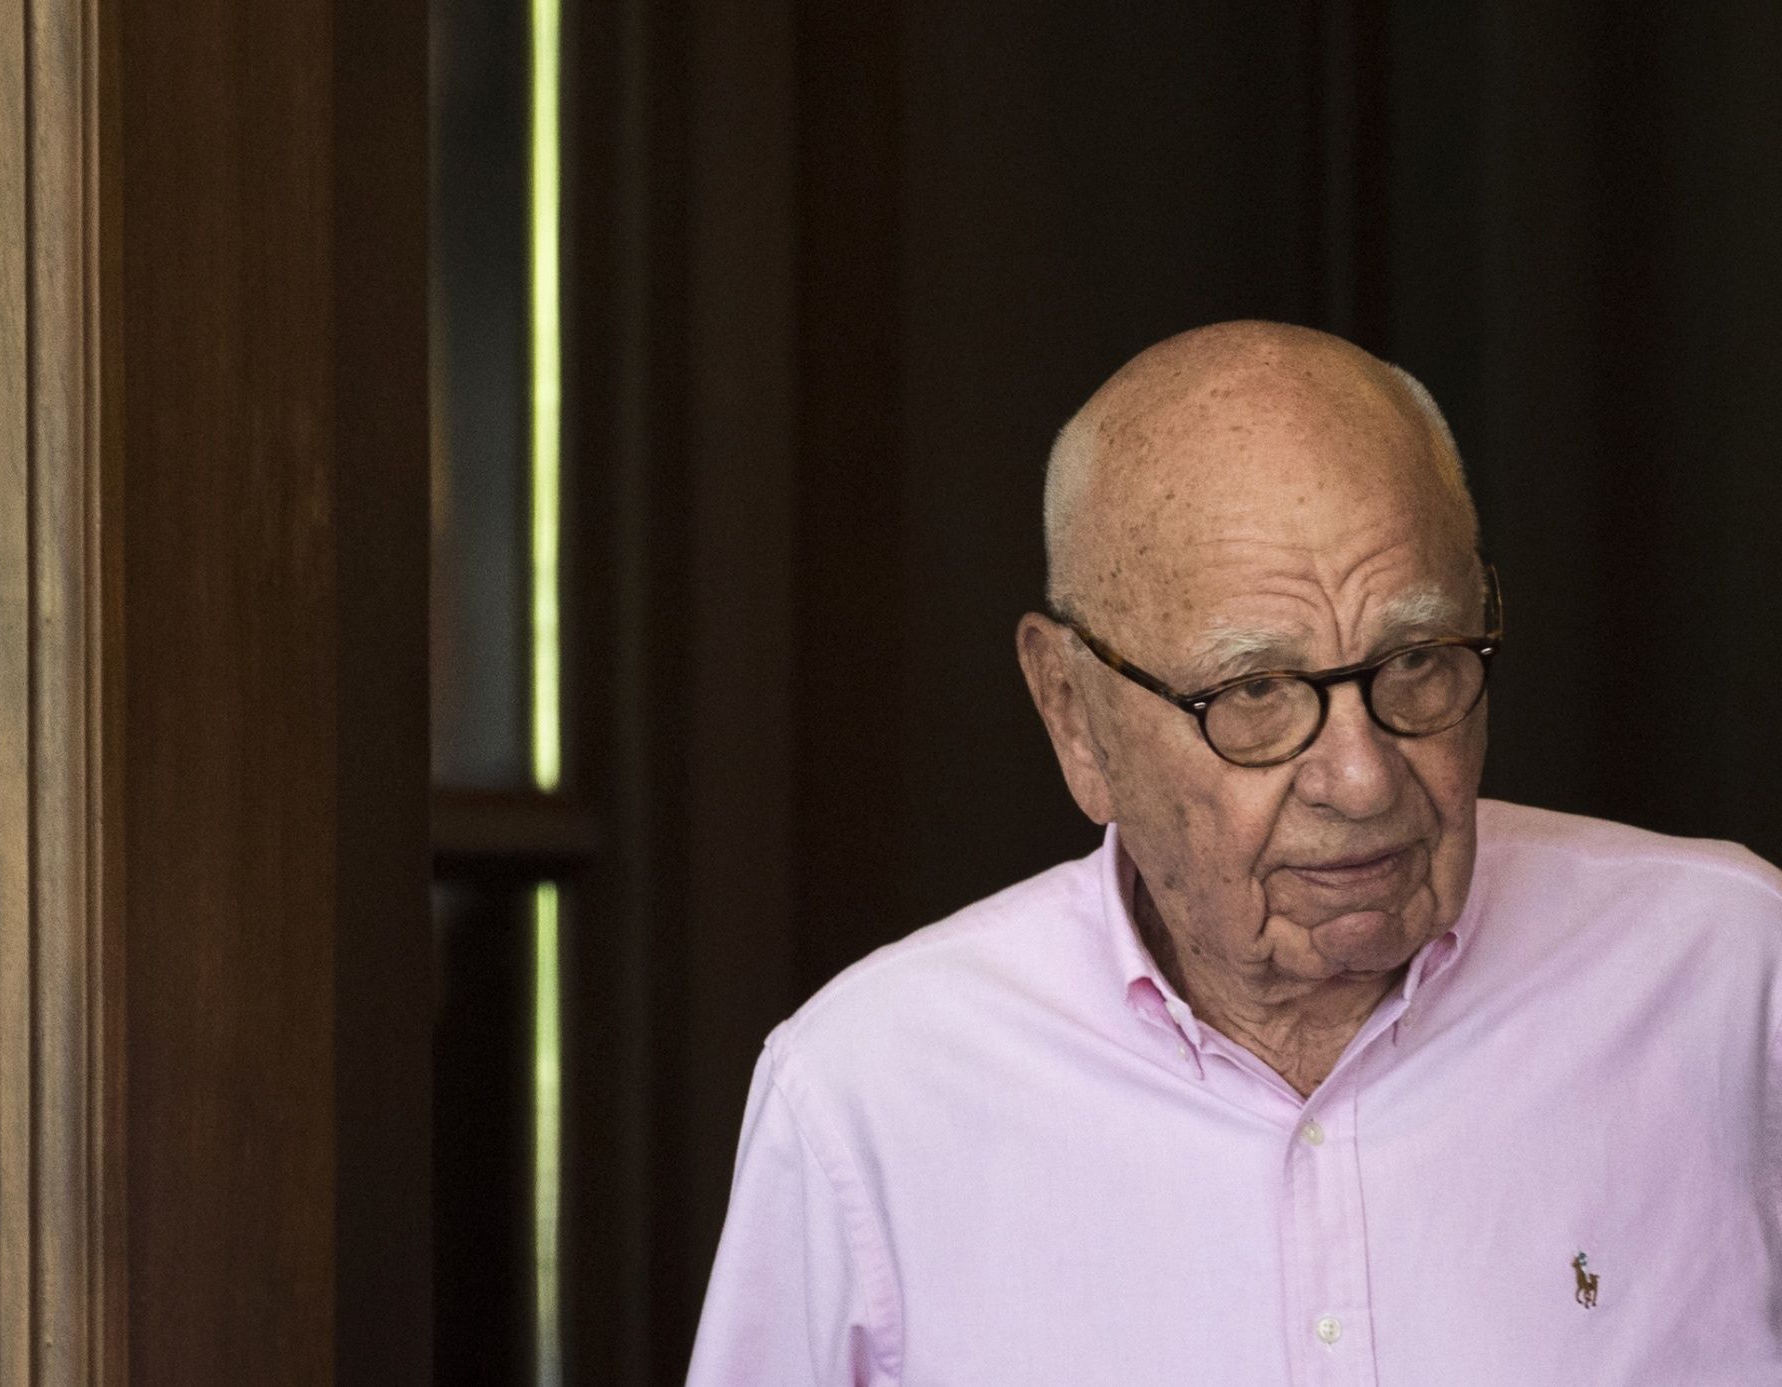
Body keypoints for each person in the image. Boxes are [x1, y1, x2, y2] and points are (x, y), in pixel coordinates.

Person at [684, 321, 1782, 1384]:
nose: (1361, 778)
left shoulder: (1735, 978)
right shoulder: (867, 1096)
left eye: (1416, 659)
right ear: (1073, 714)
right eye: (1253, 691)